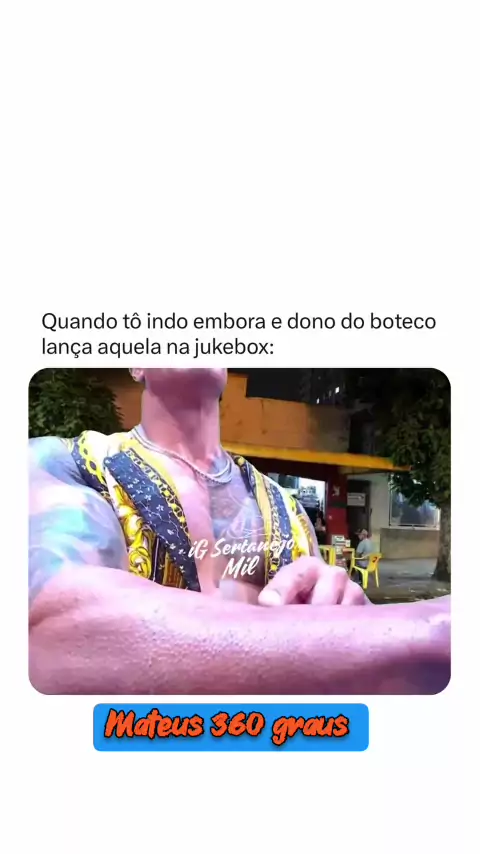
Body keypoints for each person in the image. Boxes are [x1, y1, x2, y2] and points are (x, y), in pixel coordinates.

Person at [29, 368, 450, 695]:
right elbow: (54, 629)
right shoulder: (63, 464)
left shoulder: (286, 508)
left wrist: (349, 609)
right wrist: (429, 629)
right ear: (136, 364)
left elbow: (342, 648)